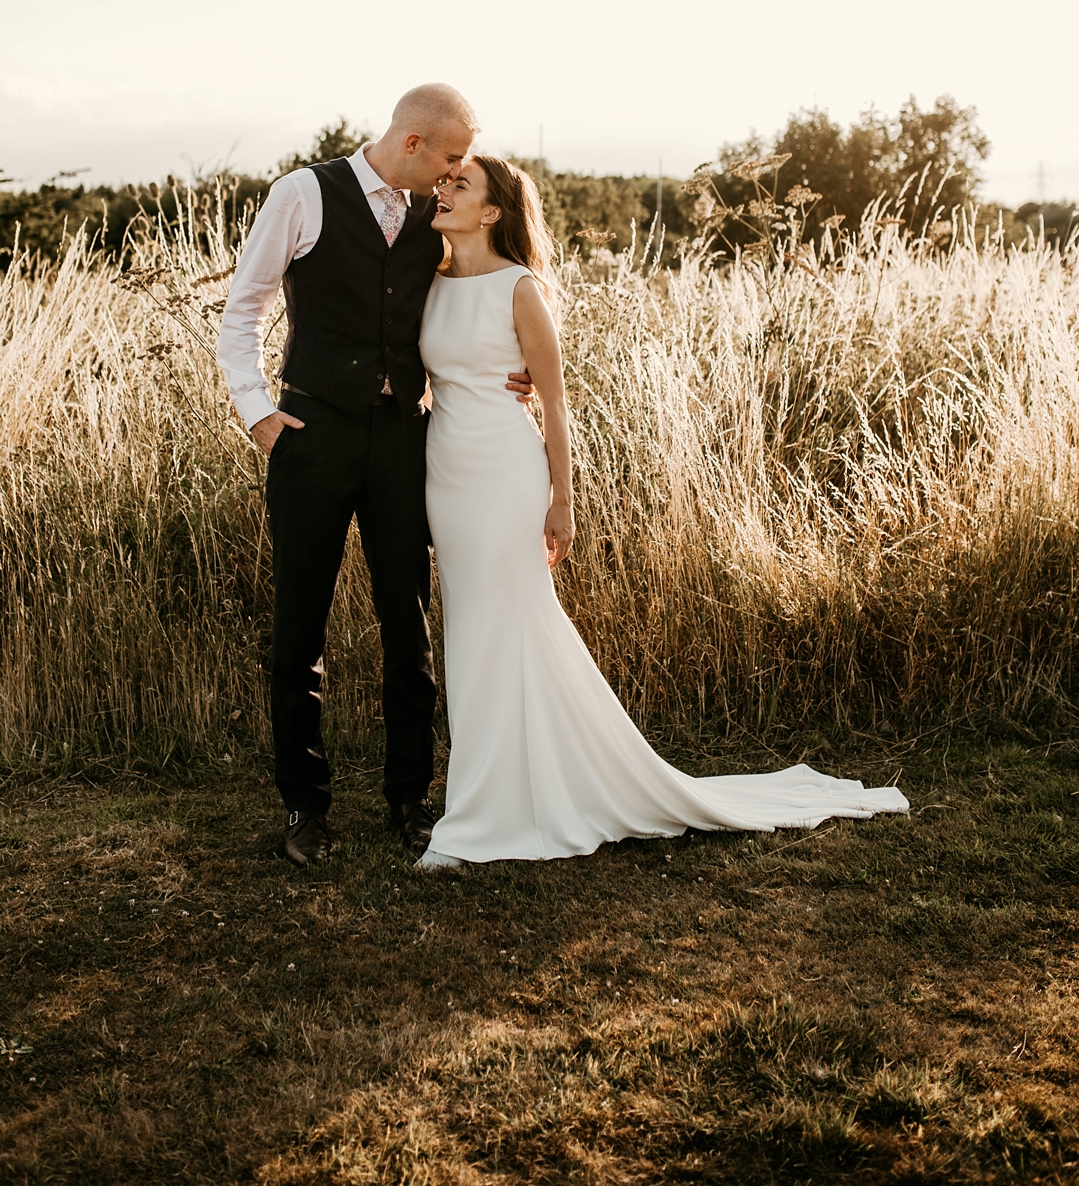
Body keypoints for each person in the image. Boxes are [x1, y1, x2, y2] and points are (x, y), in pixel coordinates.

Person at [415, 155, 909, 868]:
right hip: (447, 474)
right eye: (445, 182)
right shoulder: (428, 285)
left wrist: (564, 501)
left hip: (505, 476)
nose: (444, 190)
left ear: (492, 212)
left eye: (461, 184)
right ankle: (516, 787)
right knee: (472, 631)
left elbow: (554, 405)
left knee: (508, 623)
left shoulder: (520, 289)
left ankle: (478, 816)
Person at [216, 84, 532, 867]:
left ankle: (410, 798)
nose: (460, 174)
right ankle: (304, 807)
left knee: (409, 624)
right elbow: (244, 308)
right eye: (453, 157)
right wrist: (258, 412)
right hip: (311, 432)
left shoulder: (439, 216)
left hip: (403, 440)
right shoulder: (303, 194)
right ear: (417, 143)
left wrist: (515, 369)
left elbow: (486, 293)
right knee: (300, 626)